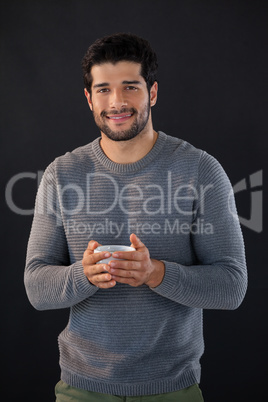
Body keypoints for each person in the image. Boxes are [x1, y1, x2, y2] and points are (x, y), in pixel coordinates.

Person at [24, 33, 247, 402]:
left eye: (130, 87)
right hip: (81, 388)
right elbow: (35, 286)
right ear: (88, 98)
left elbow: (232, 285)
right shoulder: (60, 174)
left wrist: (156, 273)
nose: (117, 102)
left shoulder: (200, 169)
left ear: (152, 93)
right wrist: (84, 275)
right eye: (103, 89)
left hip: (173, 388)